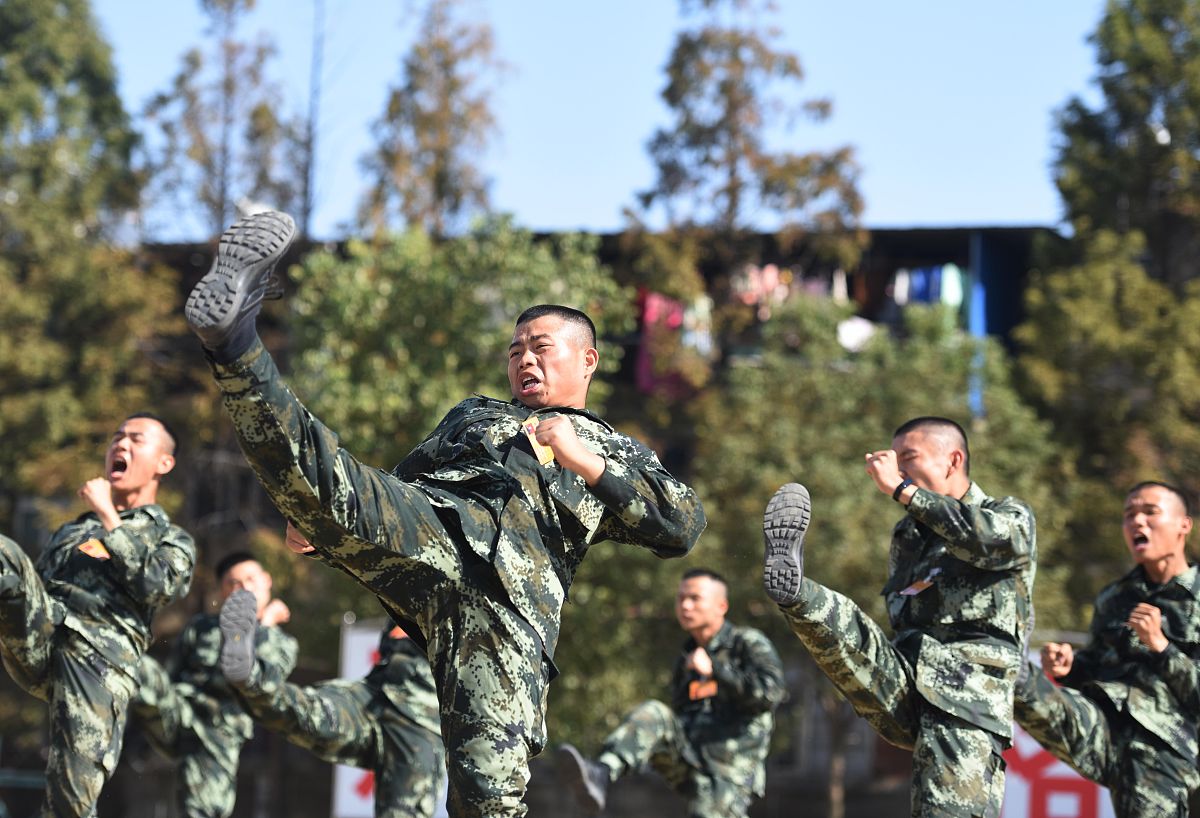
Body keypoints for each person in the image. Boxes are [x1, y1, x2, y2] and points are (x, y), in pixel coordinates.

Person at [182, 210, 706, 817]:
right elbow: (395, 485)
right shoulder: (475, 415)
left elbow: (682, 524)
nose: (524, 360)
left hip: (506, 610)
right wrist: (327, 526)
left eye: (541, 346)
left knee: (489, 795)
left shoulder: (609, 446)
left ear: (588, 360)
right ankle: (235, 339)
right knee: (331, 480)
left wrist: (583, 459)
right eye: (515, 350)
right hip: (436, 531)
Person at [761, 416, 1036, 817]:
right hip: (907, 674)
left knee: (944, 810)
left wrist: (904, 490)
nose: (896, 470)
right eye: (894, 461)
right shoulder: (908, 535)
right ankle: (796, 591)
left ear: (952, 460)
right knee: (855, 635)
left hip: (966, 695)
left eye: (908, 457)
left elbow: (989, 539)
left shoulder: (1008, 514)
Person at [0, 413, 196, 817]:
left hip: (97, 662)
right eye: (116, 438)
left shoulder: (170, 538)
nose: (120, 445)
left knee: (69, 805)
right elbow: (30, 587)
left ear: (164, 463)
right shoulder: (73, 530)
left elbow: (158, 585)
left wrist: (109, 517)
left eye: (136, 440)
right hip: (47, 632)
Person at [1015, 481, 1200, 816]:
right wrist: (1070, 667)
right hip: (1104, 730)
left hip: (1169, 750)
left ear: (1183, 525)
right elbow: (1097, 665)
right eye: (1129, 515)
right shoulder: (1114, 598)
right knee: (1018, 680)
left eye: (1149, 512)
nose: (1137, 522)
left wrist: (1161, 647)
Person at [558, 567, 784, 817]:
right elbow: (680, 711)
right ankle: (600, 772)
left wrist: (715, 670)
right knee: (654, 713)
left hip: (730, 769)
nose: (685, 606)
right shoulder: (686, 658)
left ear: (721, 606)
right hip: (690, 758)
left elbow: (770, 694)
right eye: (681, 598)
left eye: (695, 598)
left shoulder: (747, 643)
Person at [221, 571, 446, 818]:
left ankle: (254, 679)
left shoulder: (470, 598)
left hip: (421, 724)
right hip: (372, 696)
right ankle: (252, 678)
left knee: (402, 813)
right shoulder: (408, 591)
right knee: (308, 709)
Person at [129, 551, 296, 818]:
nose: (243, 588)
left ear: (267, 581)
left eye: (251, 579)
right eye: (234, 583)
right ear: (222, 590)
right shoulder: (201, 627)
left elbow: (264, 684)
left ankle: (243, 640)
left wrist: (264, 625)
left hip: (218, 729)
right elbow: (171, 673)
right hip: (179, 710)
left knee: (203, 810)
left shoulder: (281, 642)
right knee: (135, 667)